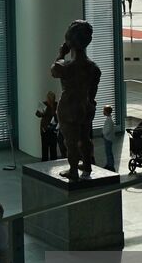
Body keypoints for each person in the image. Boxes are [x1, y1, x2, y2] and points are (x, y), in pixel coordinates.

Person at [50, 20, 102, 180]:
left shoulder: (64, 66)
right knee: (85, 137)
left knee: (70, 141)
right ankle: (86, 163)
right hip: (86, 107)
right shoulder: (93, 68)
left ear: (69, 42)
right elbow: (92, 92)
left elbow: (53, 70)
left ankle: (73, 170)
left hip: (69, 108)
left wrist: (60, 53)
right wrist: (89, 104)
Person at [36, 92, 61, 161]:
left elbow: (59, 114)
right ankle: (45, 161)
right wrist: (42, 113)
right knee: (45, 147)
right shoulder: (44, 104)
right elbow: (37, 114)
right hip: (45, 129)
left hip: (54, 128)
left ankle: (53, 161)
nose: (50, 100)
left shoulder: (56, 104)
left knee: (53, 147)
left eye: (52, 99)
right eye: (49, 99)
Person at [100, 103, 119, 172]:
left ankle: (110, 165)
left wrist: (103, 133)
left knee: (108, 152)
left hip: (108, 138)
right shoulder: (109, 119)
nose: (103, 112)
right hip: (108, 137)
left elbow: (107, 130)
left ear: (107, 112)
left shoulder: (109, 121)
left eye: (104, 111)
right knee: (108, 152)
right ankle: (109, 164)